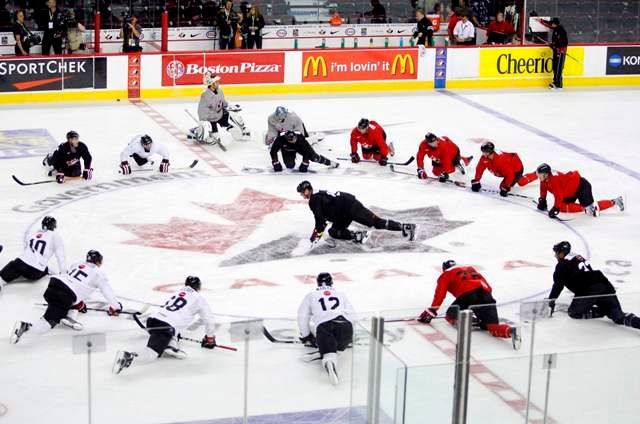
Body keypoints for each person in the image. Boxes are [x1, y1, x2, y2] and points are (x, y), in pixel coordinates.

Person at [10, 250, 122, 344]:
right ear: (98, 261)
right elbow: (108, 292)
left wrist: (79, 304)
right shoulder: (99, 274)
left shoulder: (77, 264)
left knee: (63, 304)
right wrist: (116, 307)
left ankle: (67, 315)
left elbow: (74, 283)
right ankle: (27, 328)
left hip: (54, 285)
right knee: (48, 323)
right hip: (65, 294)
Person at [113, 276, 217, 374]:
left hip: (153, 320)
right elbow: (209, 320)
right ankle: (129, 356)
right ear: (198, 287)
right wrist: (210, 338)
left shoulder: (178, 292)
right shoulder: (199, 299)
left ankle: (170, 345)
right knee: (152, 353)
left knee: (173, 329)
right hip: (165, 326)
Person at [417, 260, 522, 350]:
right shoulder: (470, 269)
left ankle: (469, 319)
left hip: (468, 294)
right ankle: (511, 331)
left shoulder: (446, 274)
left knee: (450, 315)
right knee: (491, 326)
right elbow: (488, 286)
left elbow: (440, 294)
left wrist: (433, 310)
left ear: (444, 268)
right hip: (486, 293)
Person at [547, 241, 640, 331]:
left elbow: (558, 286)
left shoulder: (562, 265)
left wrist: (551, 301)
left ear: (562, 253)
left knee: (574, 312)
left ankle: (601, 311)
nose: (555, 255)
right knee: (619, 317)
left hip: (589, 291)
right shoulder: (578, 257)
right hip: (604, 285)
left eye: (557, 253)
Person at [297, 180, 416, 244]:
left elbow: (320, 221)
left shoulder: (314, 199)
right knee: (334, 231)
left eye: (303, 192)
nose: (302, 195)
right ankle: (357, 236)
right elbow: (323, 218)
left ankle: (406, 227)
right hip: (342, 213)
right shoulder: (318, 195)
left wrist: (313, 240)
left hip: (350, 207)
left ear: (308, 190)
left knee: (378, 222)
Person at [297, 273, 356, 385]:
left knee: (329, 351)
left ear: (318, 283)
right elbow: (353, 315)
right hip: (345, 325)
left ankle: (329, 361)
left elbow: (302, 316)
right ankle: (323, 353)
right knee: (338, 349)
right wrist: (352, 335)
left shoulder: (311, 295)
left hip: (325, 326)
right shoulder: (341, 294)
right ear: (331, 282)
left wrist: (306, 336)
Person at [0, 216, 66, 292]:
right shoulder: (56, 237)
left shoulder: (34, 233)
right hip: (35, 272)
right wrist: (63, 272)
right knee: (41, 268)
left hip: (21, 263)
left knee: (2, 278)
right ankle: (46, 270)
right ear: (53, 226)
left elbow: (26, 247)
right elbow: (61, 256)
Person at [535, 163, 624, 218]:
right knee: (562, 206)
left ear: (546, 174)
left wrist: (555, 208)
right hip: (570, 191)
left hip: (581, 187)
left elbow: (558, 196)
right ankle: (584, 208)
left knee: (591, 210)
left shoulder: (554, 180)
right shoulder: (545, 179)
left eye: (540, 174)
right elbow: (543, 189)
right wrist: (542, 199)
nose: (538, 176)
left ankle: (616, 201)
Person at [192, 72, 250, 147]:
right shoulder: (205, 95)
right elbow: (201, 110)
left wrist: (231, 107)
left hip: (220, 114)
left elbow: (224, 103)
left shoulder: (220, 91)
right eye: (216, 82)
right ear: (211, 84)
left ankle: (237, 128)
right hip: (211, 118)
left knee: (237, 133)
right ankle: (198, 131)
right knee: (213, 139)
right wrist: (203, 123)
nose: (218, 83)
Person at [471, 141, 537, 196]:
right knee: (511, 182)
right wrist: (476, 180)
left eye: (484, 152)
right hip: (506, 169)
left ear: (489, 152)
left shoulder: (500, 160)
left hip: (516, 169)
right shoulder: (484, 157)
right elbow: (480, 168)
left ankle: (536, 174)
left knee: (520, 182)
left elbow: (510, 175)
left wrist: (506, 187)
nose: (482, 154)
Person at [270, 131, 338, 173]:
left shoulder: (300, 138)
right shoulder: (279, 139)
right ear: (286, 139)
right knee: (290, 165)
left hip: (300, 148)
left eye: (294, 139)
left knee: (315, 158)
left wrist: (305, 163)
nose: (294, 141)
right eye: (291, 140)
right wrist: (276, 162)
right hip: (287, 149)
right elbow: (273, 151)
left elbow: (307, 151)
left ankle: (331, 163)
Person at [538, 17, 568, 89]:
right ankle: (559, 84)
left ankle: (557, 83)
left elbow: (564, 42)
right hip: (556, 51)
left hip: (560, 52)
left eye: (553, 23)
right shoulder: (555, 28)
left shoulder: (561, 31)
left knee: (558, 68)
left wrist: (556, 46)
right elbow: (549, 24)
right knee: (555, 67)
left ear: (555, 24)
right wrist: (541, 21)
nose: (551, 24)